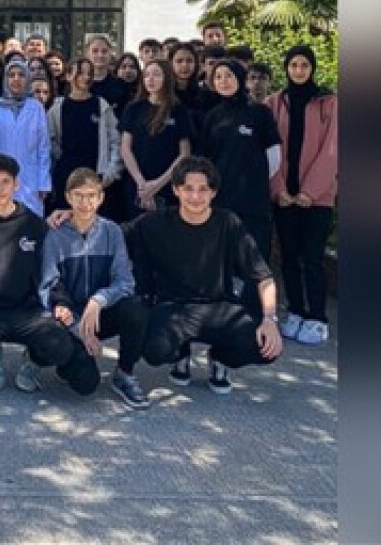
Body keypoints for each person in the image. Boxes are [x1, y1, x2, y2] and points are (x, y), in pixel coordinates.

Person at [127, 157, 283, 394]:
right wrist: (72, 216)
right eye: (188, 188)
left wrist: (270, 320)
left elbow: (264, 277)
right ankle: (179, 354)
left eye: (203, 189)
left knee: (265, 347)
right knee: (154, 349)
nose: (195, 196)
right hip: (173, 308)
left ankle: (220, 358)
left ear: (213, 193)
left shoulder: (228, 223)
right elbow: (110, 234)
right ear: (176, 190)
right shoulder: (155, 222)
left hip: (220, 307)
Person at [0, 155, 90, 394]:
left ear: (16, 184)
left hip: (27, 310)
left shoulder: (34, 225)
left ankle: (32, 361)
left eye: (5, 182)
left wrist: (60, 303)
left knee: (61, 345)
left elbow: (52, 273)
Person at [40, 169, 151, 407]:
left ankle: (125, 373)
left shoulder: (112, 232)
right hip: (69, 319)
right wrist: (78, 329)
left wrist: (99, 299)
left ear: (101, 198)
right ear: (68, 198)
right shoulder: (55, 236)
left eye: (91, 195)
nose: (85, 202)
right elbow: (47, 287)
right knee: (86, 384)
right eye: (78, 196)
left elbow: (125, 282)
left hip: (99, 313)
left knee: (136, 308)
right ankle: (66, 360)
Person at [267, 45, 338, 346]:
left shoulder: (329, 103)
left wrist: (311, 191)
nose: (298, 70)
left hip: (317, 198)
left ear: (312, 68)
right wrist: (278, 189)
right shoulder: (274, 103)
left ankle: (317, 317)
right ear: (286, 68)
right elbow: (268, 150)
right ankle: (295, 310)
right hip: (285, 196)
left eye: (304, 65)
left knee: (312, 257)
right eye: (293, 65)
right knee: (289, 257)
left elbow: (333, 149)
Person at [198, 60, 282, 312]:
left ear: (240, 78)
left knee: (253, 261)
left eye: (229, 76)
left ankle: (255, 316)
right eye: (218, 76)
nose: (223, 81)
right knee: (222, 260)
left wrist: (255, 180)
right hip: (221, 200)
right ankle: (224, 314)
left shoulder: (259, 112)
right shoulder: (212, 116)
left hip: (253, 201)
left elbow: (274, 155)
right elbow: (205, 159)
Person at [47, 57, 121, 211]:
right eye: (81, 73)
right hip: (66, 175)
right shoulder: (57, 107)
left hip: (96, 174)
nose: (86, 78)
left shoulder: (101, 105)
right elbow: (50, 140)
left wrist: (111, 171)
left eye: (89, 74)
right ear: (68, 76)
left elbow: (115, 141)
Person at [120, 59, 192, 216]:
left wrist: (157, 184)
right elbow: (125, 148)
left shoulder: (179, 111)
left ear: (167, 78)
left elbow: (184, 153)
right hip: (137, 184)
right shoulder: (133, 108)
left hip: (167, 186)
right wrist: (141, 183)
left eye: (156, 75)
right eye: (147, 75)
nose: (150, 79)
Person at [0, 58, 50, 216]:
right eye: (11, 75)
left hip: (30, 176)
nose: (16, 79)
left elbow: (43, 147)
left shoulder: (36, 107)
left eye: (21, 75)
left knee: (29, 221)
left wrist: (43, 183)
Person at [86, 33, 131, 116]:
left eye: (104, 51)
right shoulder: (78, 84)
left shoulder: (121, 85)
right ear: (87, 54)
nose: (100, 55)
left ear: (110, 54)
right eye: (95, 51)